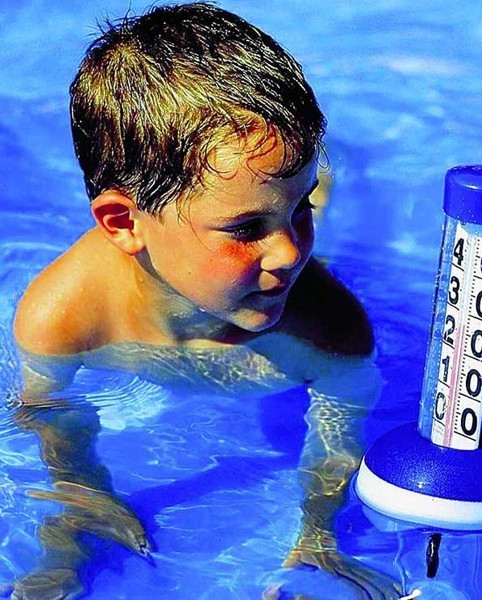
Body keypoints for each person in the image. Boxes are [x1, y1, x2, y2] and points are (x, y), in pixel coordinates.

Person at [12, 3, 404, 598]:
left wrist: (318, 535)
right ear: (124, 223)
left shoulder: (329, 328)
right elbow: (48, 412)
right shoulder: (64, 319)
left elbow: (339, 433)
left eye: (300, 210)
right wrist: (81, 496)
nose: (289, 253)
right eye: (246, 228)